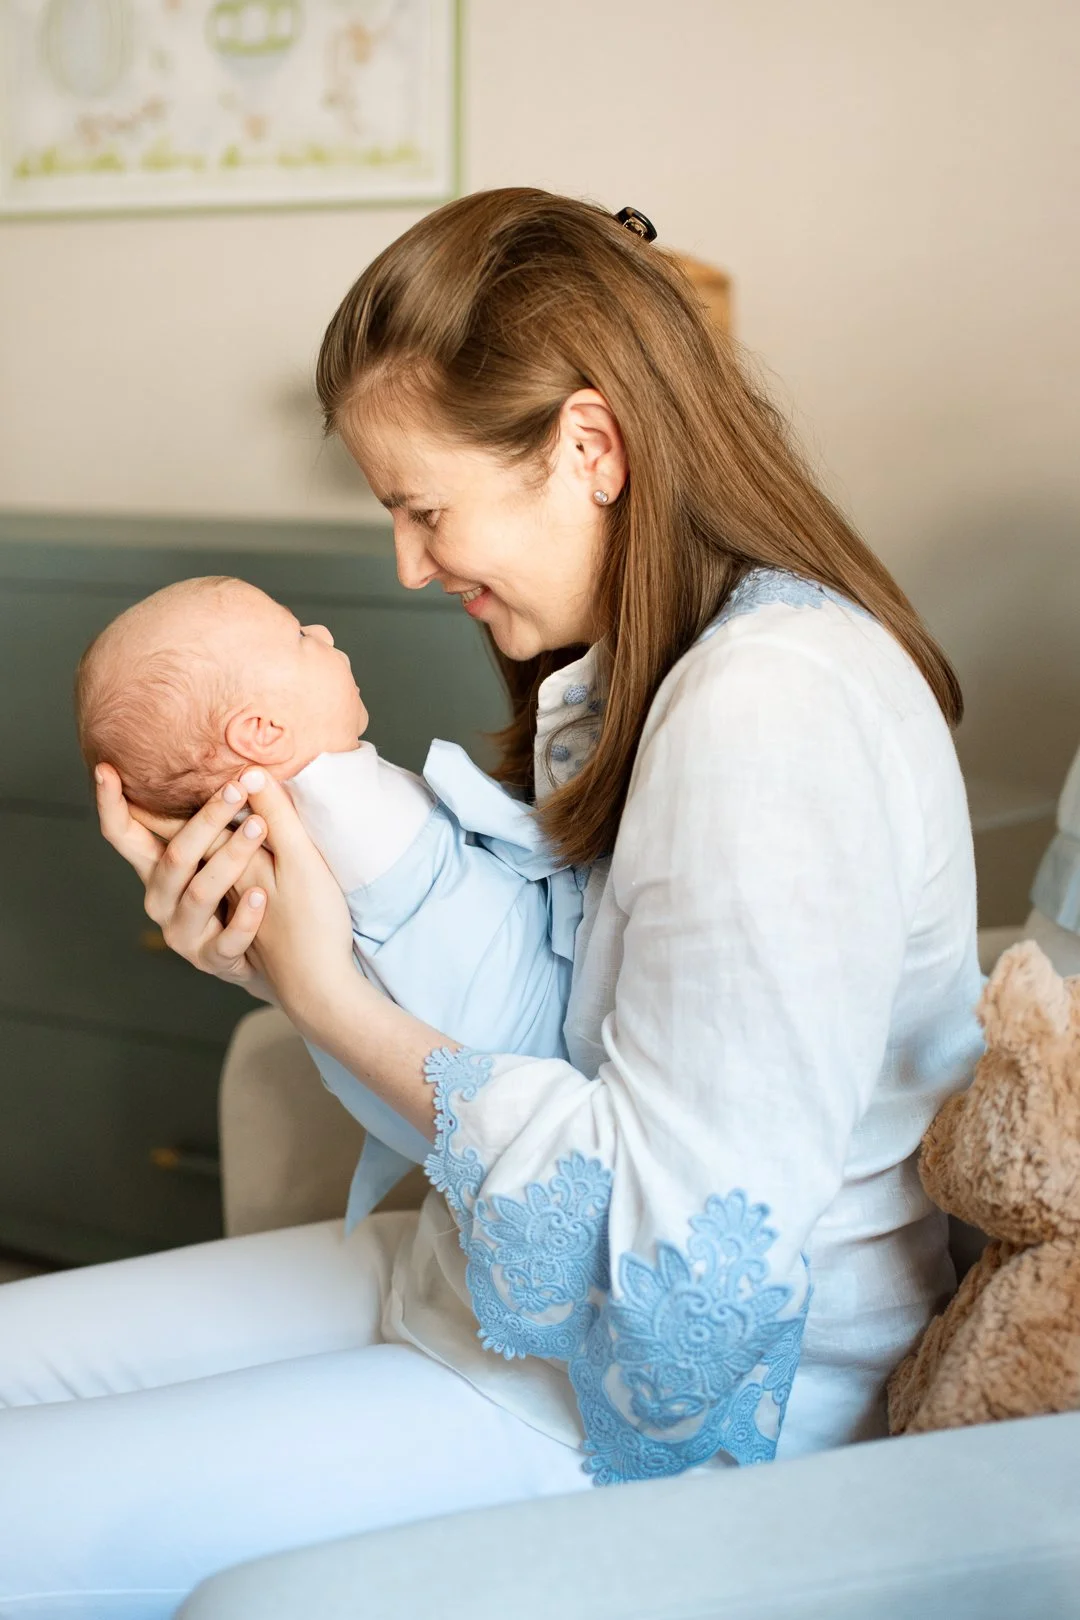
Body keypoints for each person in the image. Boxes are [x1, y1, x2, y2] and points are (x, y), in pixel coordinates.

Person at [0, 188, 983, 1618]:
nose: (405, 564)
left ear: (589, 444)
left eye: (423, 507)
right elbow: (528, 1045)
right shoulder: (636, 677)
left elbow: (684, 1289)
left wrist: (328, 995)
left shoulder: (772, 717)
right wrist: (283, 957)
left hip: (658, 1416)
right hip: (499, 1298)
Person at [74, 574, 582, 1221]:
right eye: (297, 634)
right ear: (260, 730)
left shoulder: (266, 858)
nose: (324, 633)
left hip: (469, 1097)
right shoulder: (344, 808)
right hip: (530, 1046)